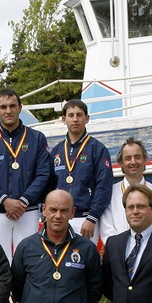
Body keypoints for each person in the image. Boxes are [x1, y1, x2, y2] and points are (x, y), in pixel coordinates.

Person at [0, 88, 53, 303]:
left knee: (27, 263)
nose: (8, 111)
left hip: (27, 210)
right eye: (3, 107)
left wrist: (21, 200)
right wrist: (4, 200)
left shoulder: (37, 138)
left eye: (12, 105)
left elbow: (44, 174)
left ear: (20, 108)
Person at [50, 99, 113, 244]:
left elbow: (104, 186)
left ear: (87, 118)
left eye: (79, 115)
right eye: (71, 115)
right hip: (60, 218)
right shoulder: (57, 151)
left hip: (86, 218)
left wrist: (92, 217)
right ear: (64, 120)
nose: (75, 119)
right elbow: (49, 186)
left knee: (84, 262)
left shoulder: (98, 149)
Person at [99, 138, 152, 242]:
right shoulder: (109, 194)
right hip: (119, 254)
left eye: (137, 157)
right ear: (121, 163)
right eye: (128, 158)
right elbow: (107, 230)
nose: (133, 162)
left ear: (145, 160)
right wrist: (121, 250)